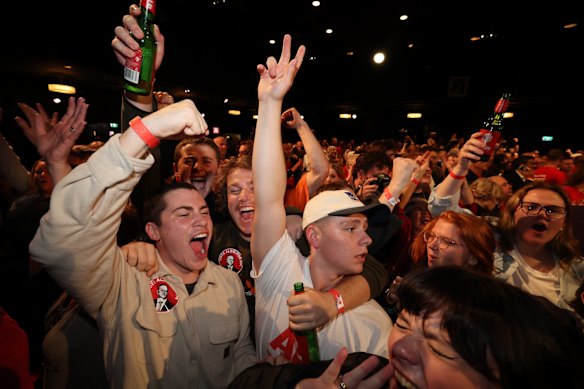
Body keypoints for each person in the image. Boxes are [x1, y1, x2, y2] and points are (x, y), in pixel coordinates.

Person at [29, 97, 258, 387]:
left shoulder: (228, 283)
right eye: (184, 213)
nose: (201, 220)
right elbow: (64, 242)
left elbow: (239, 352)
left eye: (203, 212)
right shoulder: (123, 283)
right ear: (153, 231)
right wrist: (146, 131)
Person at [251, 34, 393, 362]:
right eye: (351, 228)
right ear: (312, 234)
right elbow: (269, 198)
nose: (367, 239)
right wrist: (269, 104)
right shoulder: (281, 272)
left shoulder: (375, 325)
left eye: (365, 228)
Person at [228, 266, 584, 388]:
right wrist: (299, 385)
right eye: (402, 324)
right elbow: (246, 383)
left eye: (436, 344)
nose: (400, 347)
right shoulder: (364, 373)